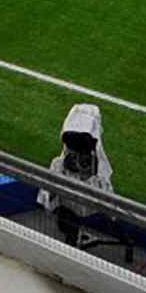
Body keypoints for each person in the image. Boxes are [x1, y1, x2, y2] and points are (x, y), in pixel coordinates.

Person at [37, 104, 114, 247]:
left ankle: (73, 239)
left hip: (86, 201)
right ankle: (72, 240)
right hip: (70, 203)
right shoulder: (60, 163)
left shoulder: (95, 163)